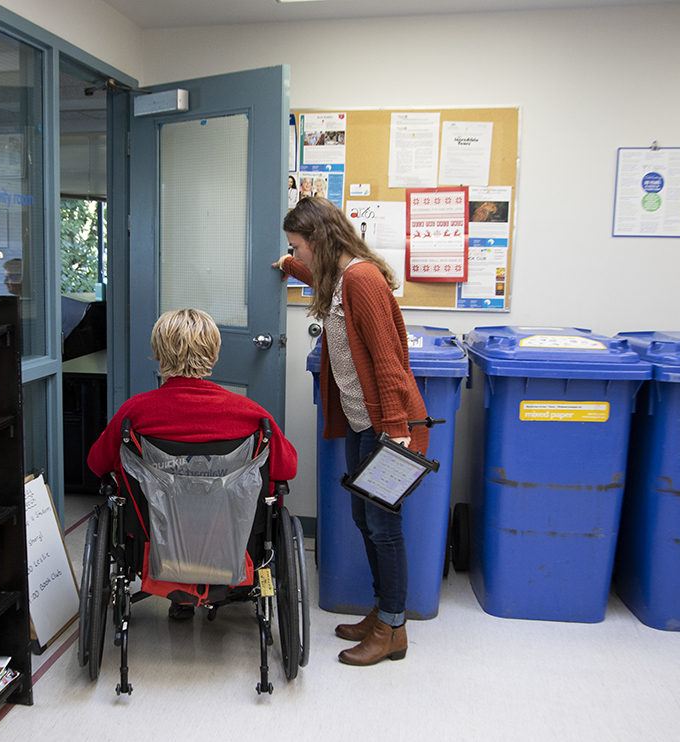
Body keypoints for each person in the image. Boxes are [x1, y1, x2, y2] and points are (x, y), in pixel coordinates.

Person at [272, 196, 429, 666]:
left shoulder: (361, 280)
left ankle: (393, 629)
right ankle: (383, 613)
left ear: (320, 240)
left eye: (299, 248)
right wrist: (287, 265)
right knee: (366, 521)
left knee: (384, 527)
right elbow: (318, 280)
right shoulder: (340, 277)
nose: (298, 257)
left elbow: (387, 359)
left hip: (388, 428)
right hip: (364, 424)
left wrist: (397, 429)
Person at [87, 308, 298, 618]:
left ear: (159, 354)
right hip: (231, 545)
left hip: (156, 546)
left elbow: (97, 463)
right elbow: (286, 470)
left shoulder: (136, 415)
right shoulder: (251, 415)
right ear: (213, 354)